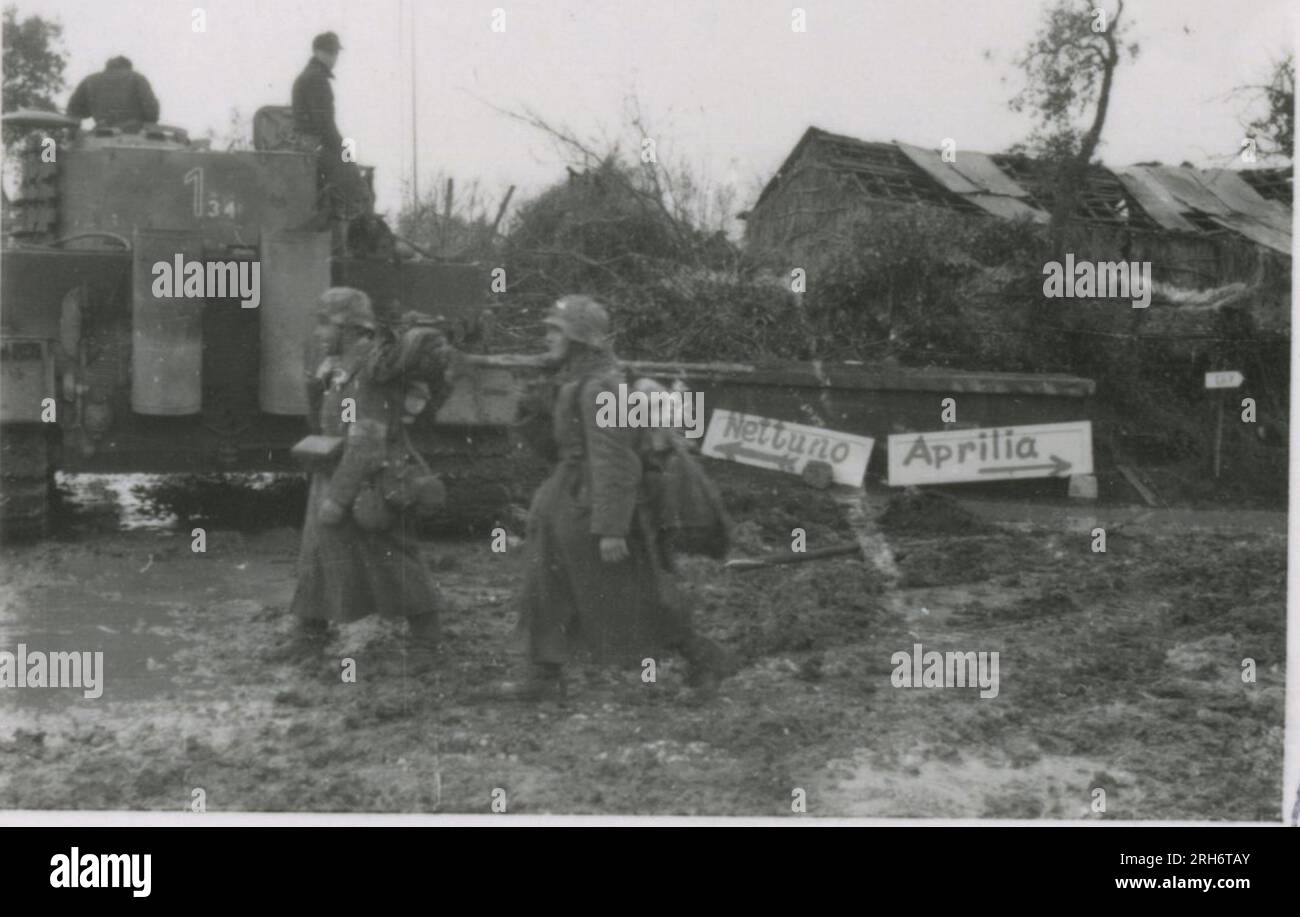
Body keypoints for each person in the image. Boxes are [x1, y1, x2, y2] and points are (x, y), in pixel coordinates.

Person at [506, 295, 730, 701]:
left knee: (634, 593)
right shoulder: (572, 379)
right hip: (566, 496)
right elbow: (556, 445)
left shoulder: (601, 385)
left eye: (556, 330)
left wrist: (611, 527)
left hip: (590, 502)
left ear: (579, 338)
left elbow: (615, 459)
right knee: (545, 585)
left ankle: (704, 660)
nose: (547, 337)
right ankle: (543, 673)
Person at [278, 288, 454, 670]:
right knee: (319, 553)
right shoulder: (341, 366)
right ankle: (309, 635)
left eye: (326, 323)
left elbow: (369, 437)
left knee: (393, 557)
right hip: (339, 471)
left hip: (371, 480)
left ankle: (426, 645)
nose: (320, 331)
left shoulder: (370, 371)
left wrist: (339, 497)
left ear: (348, 326)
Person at [291, 31, 373, 221]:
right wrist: (345, 152)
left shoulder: (309, 76)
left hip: (308, 144)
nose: (335, 58)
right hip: (315, 145)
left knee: (346, 180)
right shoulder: (316, 79)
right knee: (357, 186)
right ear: (322, 53)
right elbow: (325, 125)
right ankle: (346, 242)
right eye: (333, 52)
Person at [66, 56, 160, 131]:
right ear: (128, 67)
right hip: (134, 135)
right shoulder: (137, 78)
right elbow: (152, 111)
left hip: (101, 134)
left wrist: (73, 136)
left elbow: (73, 110)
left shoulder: (90, 80)